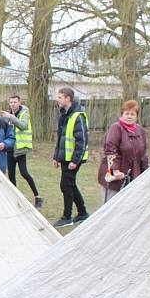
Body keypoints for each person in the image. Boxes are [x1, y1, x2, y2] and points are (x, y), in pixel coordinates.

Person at [97, 99, 148, 203]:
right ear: (122, 114)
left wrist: (145, 172)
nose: (129, 116)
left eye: (132, 114)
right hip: (114, 175)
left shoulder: (140, 130)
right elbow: (110, 150)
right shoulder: (116, 128)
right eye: (127, 113)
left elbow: (143, 154)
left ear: (136, 116)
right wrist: (115, 170)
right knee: (111, 206)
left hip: (133, 175)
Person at [52, 87, 89, 228]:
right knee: (70, 184)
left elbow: (82, 141)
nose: (58, 99)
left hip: (74, 159)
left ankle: (66, 217)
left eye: (60, 97)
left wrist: (75, 160)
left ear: (68, 98)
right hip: (65, 157)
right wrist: (56, 157)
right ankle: (83, 213)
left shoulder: (78, 116)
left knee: (65, 185)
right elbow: (60, 138)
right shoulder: (64, 115)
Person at [0, 96, 42, 207]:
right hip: (10, 148)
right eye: (11, 102)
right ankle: (14, 199)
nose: (13, 104)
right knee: (11, 175)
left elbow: (23, 126)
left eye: (15, 102)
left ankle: (37, 196)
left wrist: (10, 117)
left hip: (20, 148)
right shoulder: (8, 115)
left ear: (19, 103)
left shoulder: (24, 113)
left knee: (24, 173)